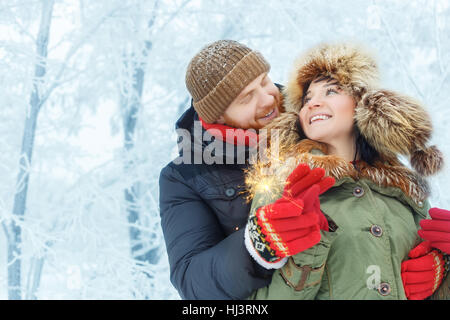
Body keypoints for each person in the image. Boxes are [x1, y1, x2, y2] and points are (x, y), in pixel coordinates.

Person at [243, 42, 449, 299]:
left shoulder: (404, 188)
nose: (313, 104)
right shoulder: (282, 184)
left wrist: (444, 271)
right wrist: (302, 258)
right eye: (307, 99)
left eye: (331, 91)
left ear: (362, 104)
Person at [159, 40, 284, 299]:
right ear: (217, 117)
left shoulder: (315, 116)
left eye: (264, 81)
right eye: (247, 97)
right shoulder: (184, 177)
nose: (267, 98)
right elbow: (192, 281)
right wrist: (260, 245)